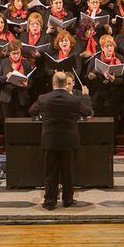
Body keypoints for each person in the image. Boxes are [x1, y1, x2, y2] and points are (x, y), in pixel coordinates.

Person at [28, 71, 93, 210]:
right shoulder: (75, 100)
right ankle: (68, 200)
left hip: (50, 141)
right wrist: (86, 96)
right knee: (68, 172)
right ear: (66, 84)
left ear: (53, 84)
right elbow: (88, 111)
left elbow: (32, 111)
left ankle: (50, 201)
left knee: (50, 172)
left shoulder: (43, 98)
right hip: (69, 141)